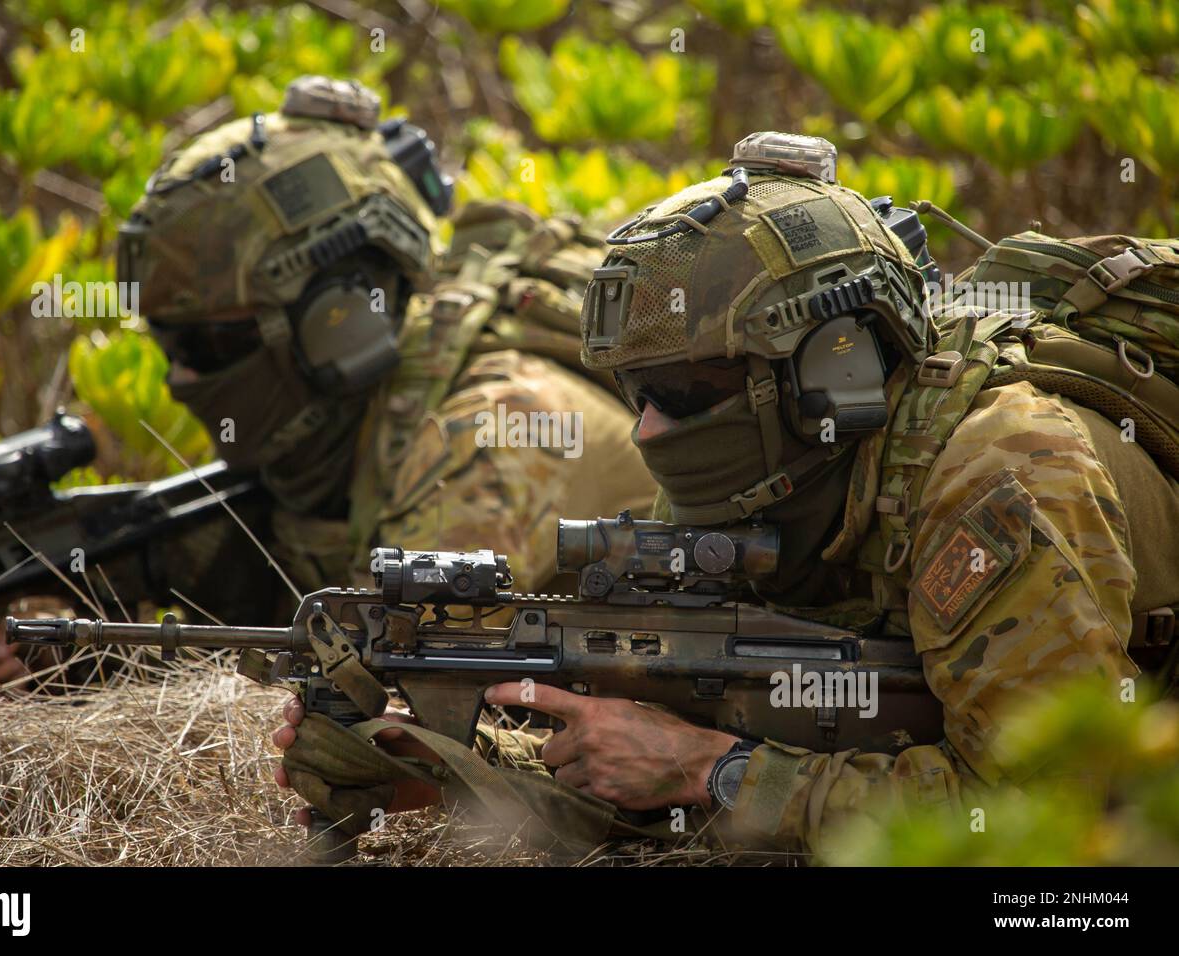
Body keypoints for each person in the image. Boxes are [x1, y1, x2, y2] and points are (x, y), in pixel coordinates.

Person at [274, 132, 1179, 854]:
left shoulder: (1002, 485)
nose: (648, 433)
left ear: (832, 376)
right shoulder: (764, 475)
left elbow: (1059, 833)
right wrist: (446, 764)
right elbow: (662, 736)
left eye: (684, 395)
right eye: (636, 394)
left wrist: (716, 775)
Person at [0, 76, 654, 688]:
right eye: (167, 343)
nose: (182, 377)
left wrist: (87, 673)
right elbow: (283, 589)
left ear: (341, 320)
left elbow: (374, 696)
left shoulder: (494, 428)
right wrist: (54, 630)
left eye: (210, 340)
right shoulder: (355, 423)